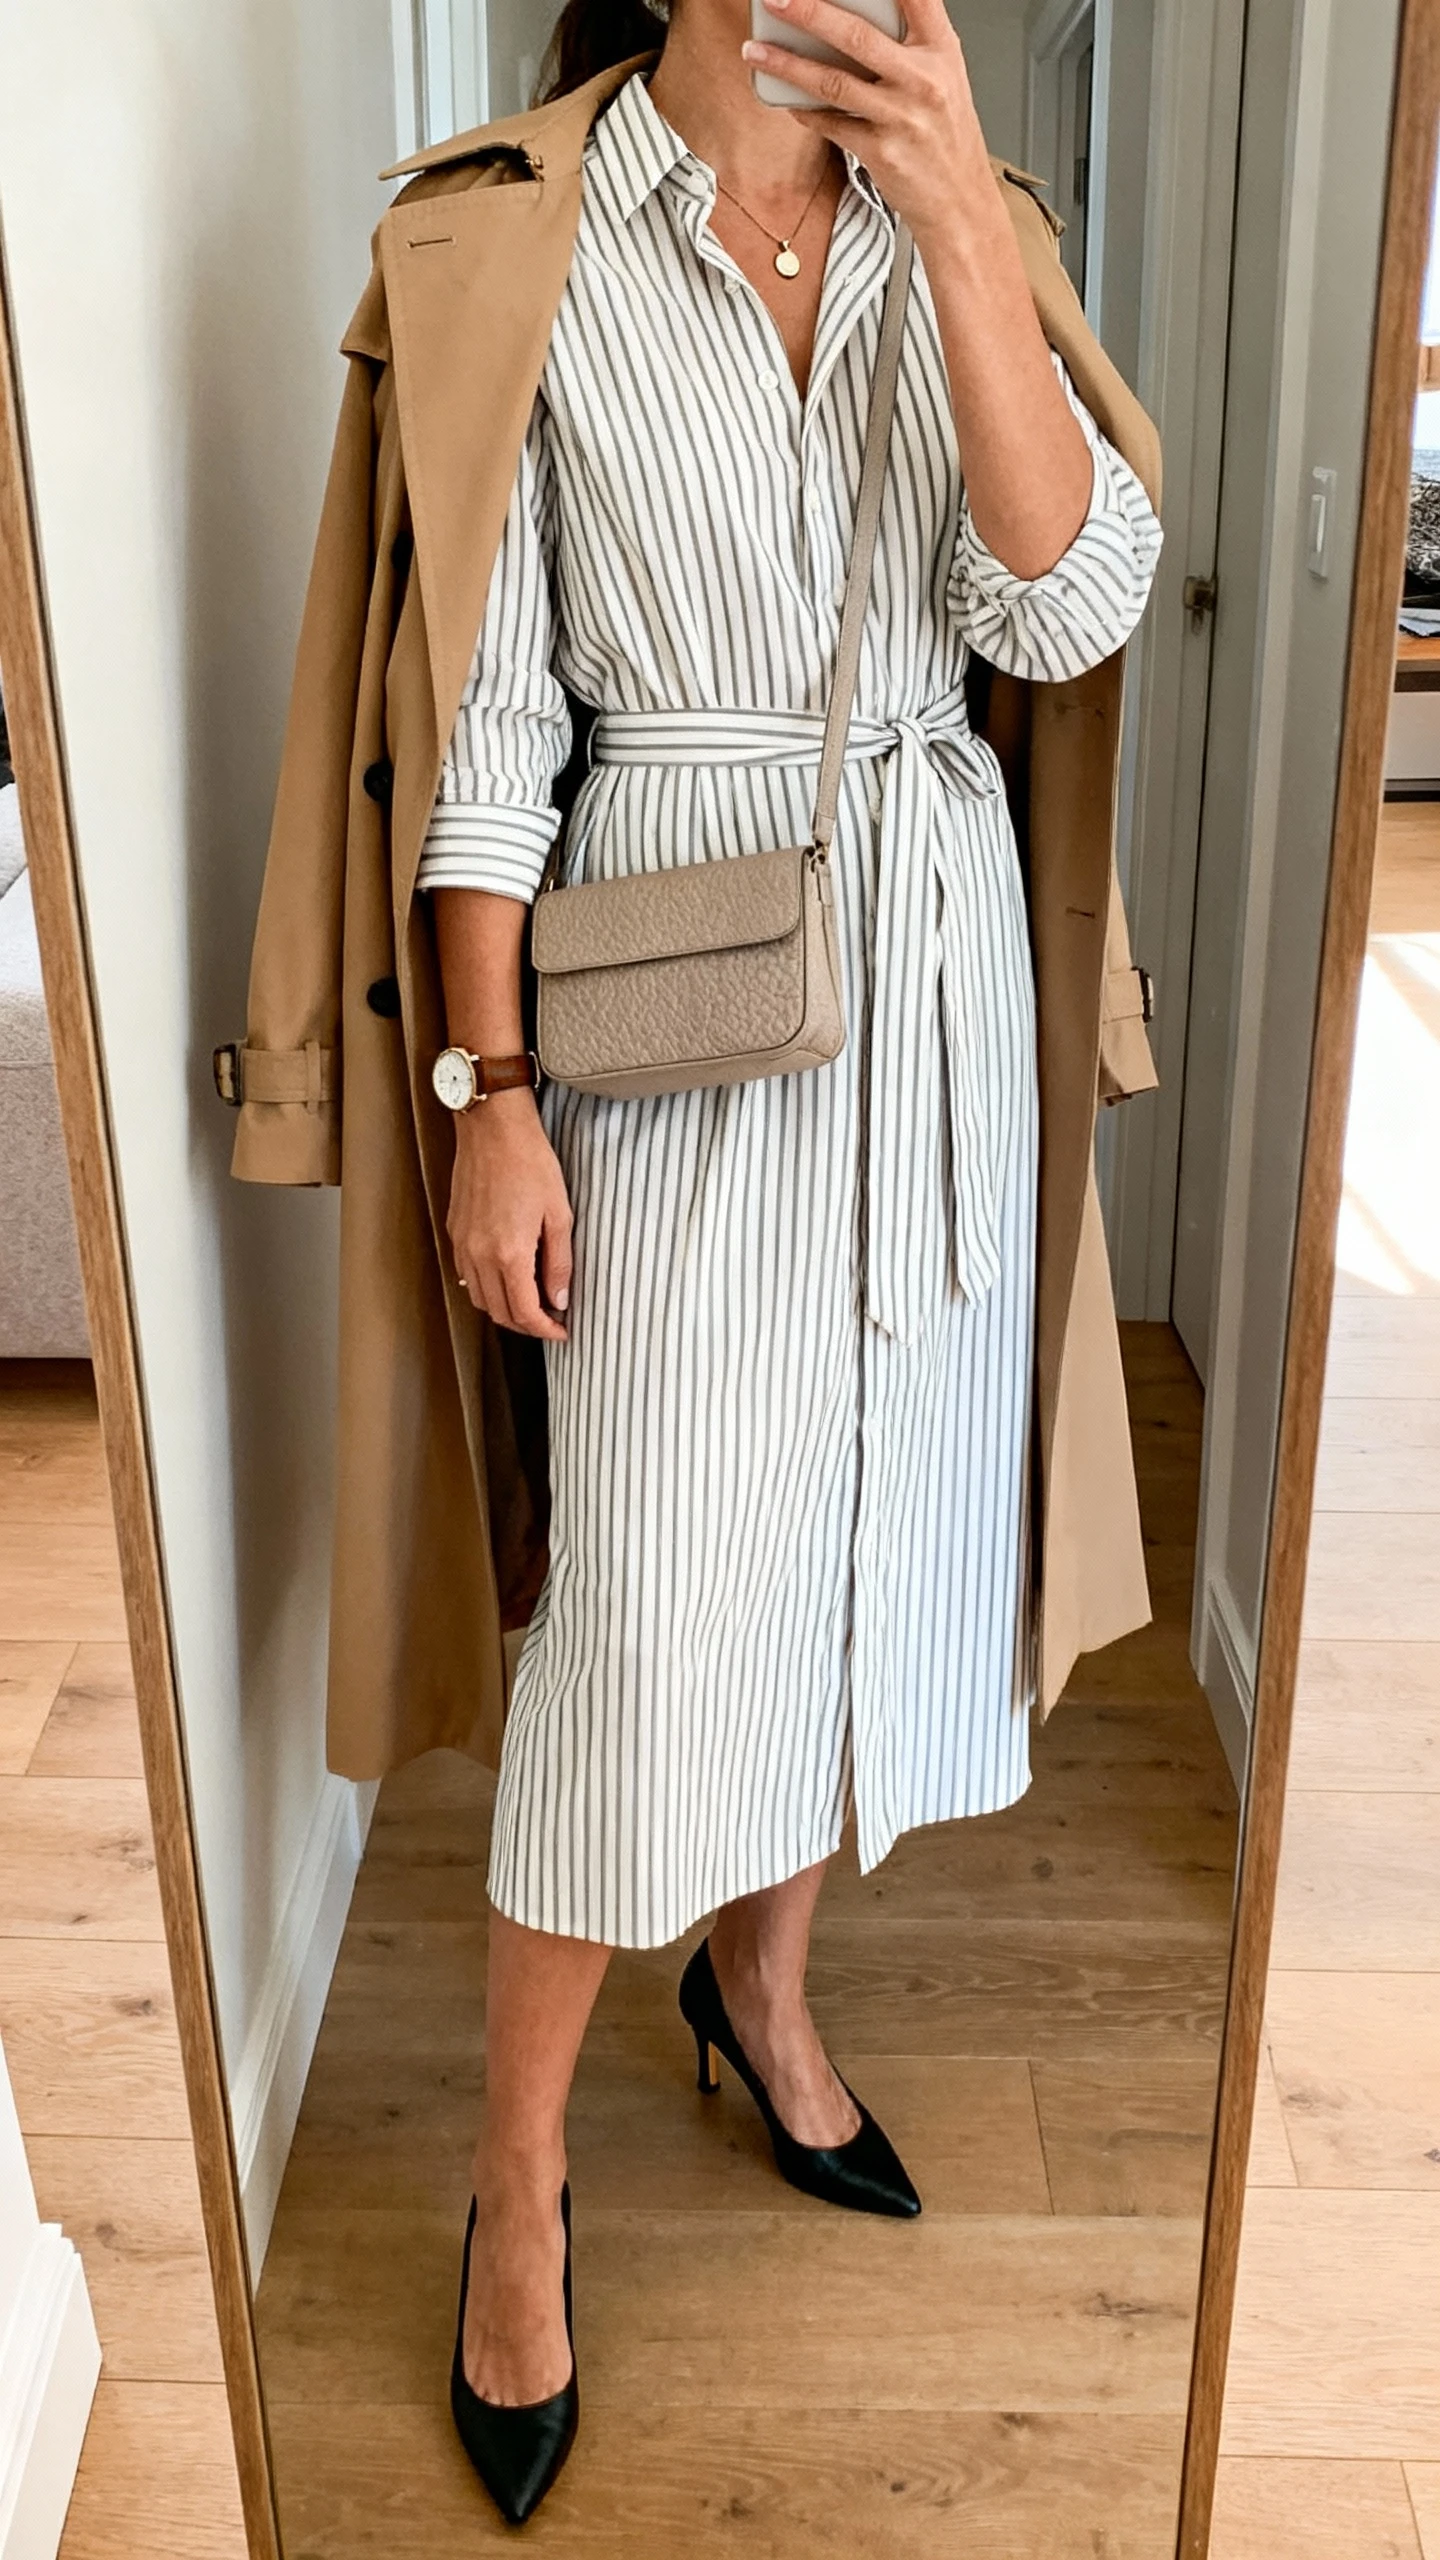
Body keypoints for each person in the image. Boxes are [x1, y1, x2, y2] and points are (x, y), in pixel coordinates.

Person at [409, 0, 1162, 2521]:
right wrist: (491, 1094)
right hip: (671, 1004)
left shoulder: (969, 226)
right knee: (642, 1613)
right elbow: (490, 729)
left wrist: (956, 222)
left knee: (859, 1554)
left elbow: (1062, 607)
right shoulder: (536, 244)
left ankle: (762, 1985)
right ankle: (518, 2181)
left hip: (926, 1002)